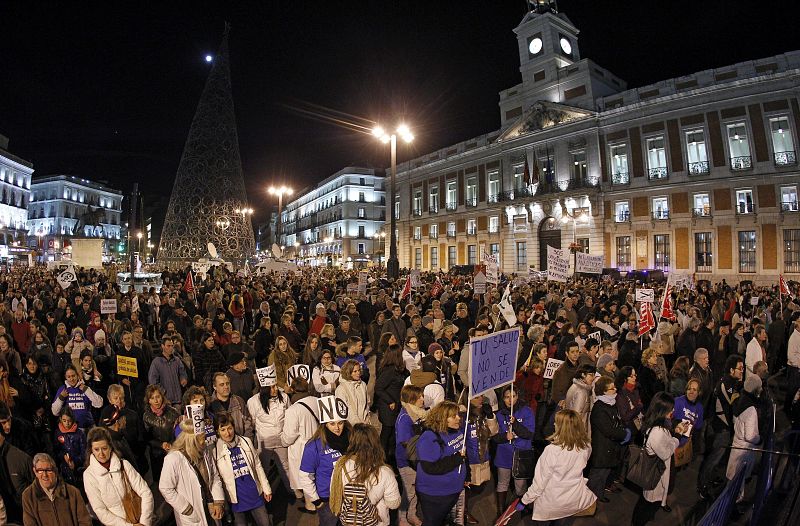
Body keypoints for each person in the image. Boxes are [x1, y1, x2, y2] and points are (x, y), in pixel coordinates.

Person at [516, 409, 597, 524]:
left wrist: (524, 501)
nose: (554, 424)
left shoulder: (552, 450)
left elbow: (540, 483)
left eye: (556, 422)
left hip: (552, 502)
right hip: (572, 499)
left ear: (562, 428)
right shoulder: (586, 446)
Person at [631, 392, 687, 525]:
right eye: (670, 409)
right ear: (662, 410)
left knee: (647, 501)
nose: (673, 411)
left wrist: (675, 432)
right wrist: (678, 436)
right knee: (649, 503)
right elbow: (665, 453)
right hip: (655, 473)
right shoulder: (657, 431)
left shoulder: (658, 424)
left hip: (656, 470)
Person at [329, 424, 401, 526]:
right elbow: (393, 504)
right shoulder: (385, 472)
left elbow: (334, 493)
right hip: (377, 521)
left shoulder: (340, 466)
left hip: (350, 521)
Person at [159, 418, 225, 526]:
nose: (204, 442)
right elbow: (165, 488)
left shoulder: (204, 451)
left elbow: (214, 475)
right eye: (201, 439)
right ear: (191, 440)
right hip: (193, 512)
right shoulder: (173, 459)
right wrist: (186, 508)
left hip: (210, 506)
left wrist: (218, 501)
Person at [83, 426, 154, 526]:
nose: (101, 454)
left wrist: (144, 522)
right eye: (96, 449)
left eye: (104, 448)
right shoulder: (89, 475)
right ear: (91, 450)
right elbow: (100, 510)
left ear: (110, 447)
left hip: (139, 519)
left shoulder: (124, 465)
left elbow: (145, 491)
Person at [415, 400, 470, 526]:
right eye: (453, 416)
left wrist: (467, 475)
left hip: (453, 489)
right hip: (435, 493)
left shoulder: (457, 431)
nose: (458, 418)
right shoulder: (429, 437)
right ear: (442, 418)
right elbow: (430, 467)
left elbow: (463, 455)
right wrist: (456, 459)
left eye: (458, 414)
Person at [212, 412, 272, 526]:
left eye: (230, 428)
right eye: (223, 430)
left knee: (265, 523)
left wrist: (266, 488)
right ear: (217, 432)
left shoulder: (246, 441)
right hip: (236, 500)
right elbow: (217, 479)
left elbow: (257, 465)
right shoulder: (215, 451)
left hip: (255, 494)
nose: (227, 433)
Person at [697, 354, 744, 499]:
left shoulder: (731, 383)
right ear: (731, 370)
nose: (742, 371)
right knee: (713, 458)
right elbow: (736, 405)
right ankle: (703, 486)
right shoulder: (726, 384)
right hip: (720, 428)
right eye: (740, 368)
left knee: (718, 457)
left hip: (723, 427)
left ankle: (711, 479)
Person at [298, 411, 352, 526]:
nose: (337, 428)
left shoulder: (351, 439)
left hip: (349, 495)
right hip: (327, 498)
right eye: (332, 424)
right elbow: (305, 476)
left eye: (340, 423)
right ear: (325, 425)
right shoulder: (313, 446)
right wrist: (317, 501)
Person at [493, 385, 535, 516]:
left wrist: (516, 424)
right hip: (504, 454)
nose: (510, 400)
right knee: (502, 483)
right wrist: (505, 437)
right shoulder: (499, 414)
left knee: (520, 485)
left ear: (518, 396)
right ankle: (501, 513)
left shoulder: (527, 411)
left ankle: (522, 509)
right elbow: (494, 437)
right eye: (507, 397)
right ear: (503, 399)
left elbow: (529, 434)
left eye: (513, 396)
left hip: (521, 454)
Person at [588, 377, 630, 503]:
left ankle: (598, 495)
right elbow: (608, 430)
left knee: (604, 474)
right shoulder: (599, 408)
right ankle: (589, 500)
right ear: (604, 391)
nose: (615, 389)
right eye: (612, 388)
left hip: (609, 448)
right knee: (597, 476)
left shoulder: (611, 404)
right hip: (602, 450)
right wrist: (624, 434)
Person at [280, 378, 321, 511]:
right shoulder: (317, 401)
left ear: (292, 389)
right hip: (318, 442)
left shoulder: (293, 410)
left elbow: (289, 436)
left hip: (302, 448)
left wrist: (283, 440)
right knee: (316, 474)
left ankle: (311, 505)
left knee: (305, 476)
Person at [247, 379, 291, 495]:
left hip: (281, 439)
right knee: (263, 469)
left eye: (276, 385)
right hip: (264, 442)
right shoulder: (253, 402)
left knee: (285, 466)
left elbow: (289, 415)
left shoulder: (284, 397)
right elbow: (252, 422)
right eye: (272, 387)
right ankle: (263, 494)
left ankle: (292, 490)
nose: (276, 389)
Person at [22, 452, 92, 526]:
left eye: (48, 470)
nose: (44, 475)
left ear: (55, 470)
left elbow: (85, 521)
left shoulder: (73, 492)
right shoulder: (28, 496)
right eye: (40, 470)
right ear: (35, 471)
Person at [726, 374, 762, 501]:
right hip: (743, 450)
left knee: (733, 479)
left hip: (737, 444)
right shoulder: (751, 409)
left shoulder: (740, 399)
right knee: (737, 484)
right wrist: (759, 439)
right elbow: (750, 435)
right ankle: (733, 505)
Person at [395, 385, 427, 526]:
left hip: (415, 460)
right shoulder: (405, 418)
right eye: (419, 397)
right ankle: (402, 519)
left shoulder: (416, 413)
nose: (423, 399)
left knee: (414, 490)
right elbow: (405, 442)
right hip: (407, 461)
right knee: (409, 492)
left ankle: (411, 515)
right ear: (412, 399)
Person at [374, 344, 408, 461]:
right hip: (388, 408)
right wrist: (390, 401)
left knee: (393, 433)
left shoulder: (400, 369)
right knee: (387, 433)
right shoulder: (389, 370)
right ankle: (382, 458)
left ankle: (391, 458)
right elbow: (378, 388)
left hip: (396, 406)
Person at [142, 384, 180, 483]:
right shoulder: (146, 416)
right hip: (157, 455)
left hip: (174, 450)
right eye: (152, 398)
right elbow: (146, 438)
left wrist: (172, 444)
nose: (156, 400)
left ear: (162, 397)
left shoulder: (173, 412)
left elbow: (179, 432)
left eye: (158, 397)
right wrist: (160, 444)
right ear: (149, 400)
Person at [51, 363, 103, 429]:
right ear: (65, 377)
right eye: (69, 377)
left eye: (73, 376)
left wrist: (87, 390)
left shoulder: (85, 387)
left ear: (77, 375)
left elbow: (99, 404)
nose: (71, 379)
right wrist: (61, 398)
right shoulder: (62, 389)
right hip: (70, 428)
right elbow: (55, 412)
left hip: (88, 427)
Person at [210, 372, 254, 441]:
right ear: (214, 387)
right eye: (222, 385)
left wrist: (247, 441)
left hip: (241, 442)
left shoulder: (239, 401)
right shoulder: (210, 405)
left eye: (227, 383)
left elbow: (248, 423)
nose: (226, 387)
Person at [148, 335, 187, 406]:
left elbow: (182, 371)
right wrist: (162, 392)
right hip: (164, 400)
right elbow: (153, 381)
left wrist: (183, 378)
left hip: (178, 399)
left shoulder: (177, 360)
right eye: (168, 346)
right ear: (162, 346)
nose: (171, 348)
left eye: (172, 346)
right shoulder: (156, 362)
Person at [335, 359, 370, 425]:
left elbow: (367, 404)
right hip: (350, 425)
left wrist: (367, 418)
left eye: (359, 370)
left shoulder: (363, 384)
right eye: (355, 371)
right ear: (348, 372)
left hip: (364, 424)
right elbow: (342, 412)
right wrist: (357, 423)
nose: (358, 373)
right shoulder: (341, 389)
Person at [565, 364, 596, 437]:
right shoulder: (581, 391)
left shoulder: (576, 386)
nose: (593, 377)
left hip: (572, 427)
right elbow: (577, 414)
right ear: (583, 375)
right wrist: (580, 434)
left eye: (594, 375)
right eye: (591, 375)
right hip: (578, 430)